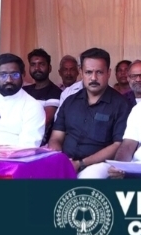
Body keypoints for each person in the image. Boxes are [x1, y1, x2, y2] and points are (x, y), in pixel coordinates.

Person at [48, 48, 131, 179]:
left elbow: (118, 145)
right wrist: (60, 159)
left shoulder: (121, 104)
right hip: (66, 161)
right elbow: (56, 138)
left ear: (108, 73)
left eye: (99, 72)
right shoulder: (70, 101)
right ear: (81, 72)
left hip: (98, 165)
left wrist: (80, 163)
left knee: (87, 180)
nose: (93, 78)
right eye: (88, 72)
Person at [23, 48, 63, 143]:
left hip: (40, 143)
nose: (37, 68)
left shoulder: (55, 92)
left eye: (41, 64)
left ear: (50, 68)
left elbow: (44, 121)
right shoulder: (24, 91)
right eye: (33, 64)